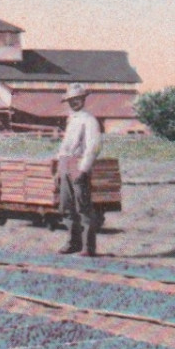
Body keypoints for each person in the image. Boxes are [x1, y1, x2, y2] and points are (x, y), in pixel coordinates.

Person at [55, 83, 103, 255]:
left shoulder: (89, 120)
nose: (74, 103)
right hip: (66, 163)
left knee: (83, 206)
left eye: (77, 99)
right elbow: (65, 146)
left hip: (79, 164)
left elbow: (94, 147)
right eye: (71, 100)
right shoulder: (71, 120)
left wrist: (83, 169)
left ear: (83, 99)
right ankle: (72, 243)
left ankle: (88, 247)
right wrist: (60, 167)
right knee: (66, 206)